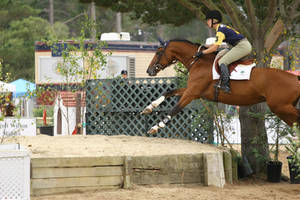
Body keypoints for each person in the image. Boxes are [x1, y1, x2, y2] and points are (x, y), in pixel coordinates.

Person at [196, 10, 252, 93]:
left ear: (214, 21)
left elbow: (215, 48)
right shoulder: (221, 28)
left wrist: (203, 53)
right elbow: (216, 44)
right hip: (241, 45)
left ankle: (225, 85)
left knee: (222, 61)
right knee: (222, 53)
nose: (207, 22)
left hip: (242, 47)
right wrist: (204, 46)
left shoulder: (220, 31)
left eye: (208, 20)